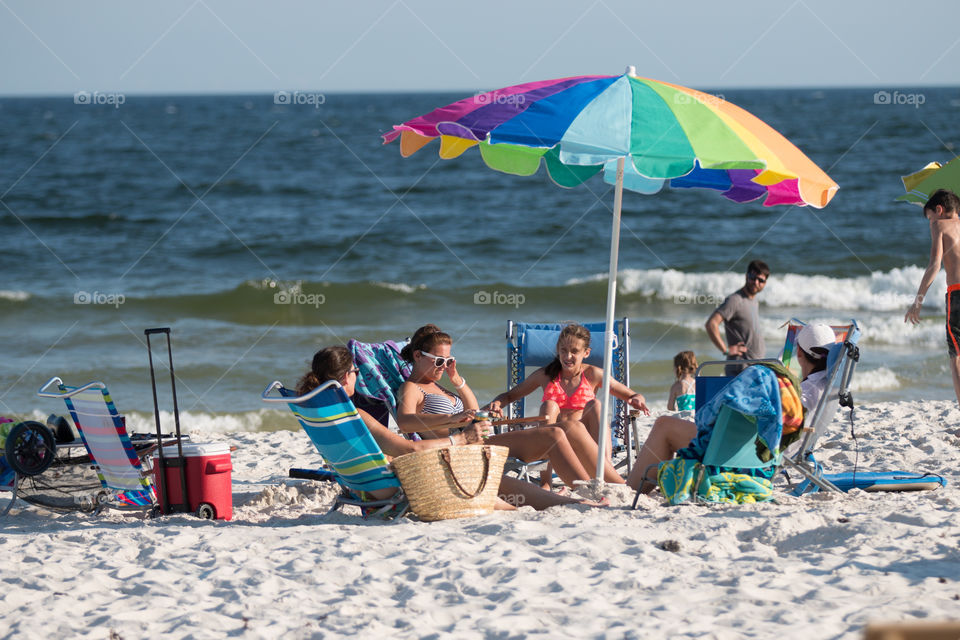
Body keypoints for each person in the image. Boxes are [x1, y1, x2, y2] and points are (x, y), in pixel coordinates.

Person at [297, 345, 595, 510]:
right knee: (485, 475)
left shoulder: (322, 410)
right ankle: (564, 503)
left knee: (491, 484)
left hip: (365, 486)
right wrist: (461, 440)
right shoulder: (356, 414)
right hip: (399, 487)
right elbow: (410, 447)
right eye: (354, 372)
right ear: (344, 377)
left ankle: (562, 502)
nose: (356, 375)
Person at [626, 322, 837, 495]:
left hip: (750, 457)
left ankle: (632, 489)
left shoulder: (800, 395)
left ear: (798, 353)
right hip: (773, 453)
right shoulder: (826, 386)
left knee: (664, 425)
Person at [395, 325, 596, 490]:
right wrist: (451, 417)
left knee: (564, 429)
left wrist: (457, 381)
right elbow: (405, 423)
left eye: (448, 361)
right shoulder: (411, 387)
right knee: (552, 434)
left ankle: (603, 484)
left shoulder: (438, 386)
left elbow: (473, 411)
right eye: (439, 361)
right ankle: (586, 490)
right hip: (464, 448)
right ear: (418, 356)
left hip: (480, 441)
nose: (443, 366)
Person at [484, 323, 650, 486]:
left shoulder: (593, 374)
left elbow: (632, 394)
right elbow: (511, 395)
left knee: (595, 405)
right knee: (549, 405)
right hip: (555, 443)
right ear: (557, 349)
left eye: (574, 351)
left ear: (586, 353)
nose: (567, 356)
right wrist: (497, 403)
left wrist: (638, 400)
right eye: (563, 350)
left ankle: (604, 470)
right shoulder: (546, 375)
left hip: (586, 443)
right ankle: (546, 482)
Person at [905, 188, 960, 405]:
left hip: (957, 293)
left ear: (939, 210)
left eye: (930, 217)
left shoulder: (940, 225)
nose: (930, 222)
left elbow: (934, 265)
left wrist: (917, 302)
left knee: (955, 355)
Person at [706, 260, 770, 376]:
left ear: (765, 283)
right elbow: (711, 324)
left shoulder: (754, 300)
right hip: (740, 371)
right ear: (746, 276)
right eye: (753, 277)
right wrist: (726, 350)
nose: (756, 282)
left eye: (761, 280)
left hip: (753, 369)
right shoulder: (735, 300)